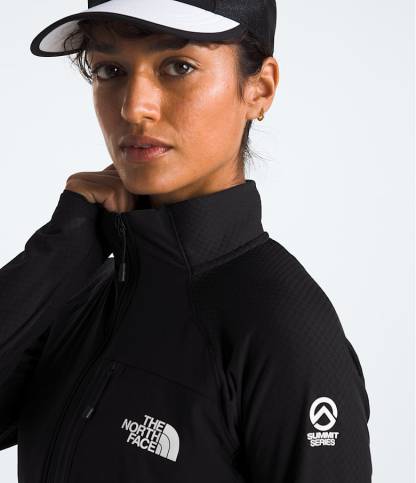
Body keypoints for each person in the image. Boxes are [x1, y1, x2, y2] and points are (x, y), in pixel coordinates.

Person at [0, 1, 373, 481]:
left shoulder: (285, 329)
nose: (133, 107)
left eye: (178, 66)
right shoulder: (79, 293)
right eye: (110, 69)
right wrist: (57, 255)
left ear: (259, 89)